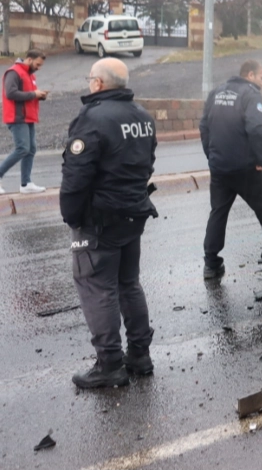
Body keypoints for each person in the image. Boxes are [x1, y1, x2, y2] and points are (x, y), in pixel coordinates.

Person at [61, 58, 158, 389]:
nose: (89, 83)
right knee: (128, 283)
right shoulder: (142, 117)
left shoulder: (91, 119)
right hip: (133, 212)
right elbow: (148, 163)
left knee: (97, 287)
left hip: (99, 219)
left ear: (99, 84)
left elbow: (75, 176)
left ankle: (110, 364)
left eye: (90, 78)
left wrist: (73, 217)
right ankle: (140, 355)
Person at [200, 59, 262, 279]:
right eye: (261, 77)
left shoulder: (216, 92)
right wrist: (261, 159)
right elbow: (255, 128)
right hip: (246, 167)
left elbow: (203, 126)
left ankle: (211, 264)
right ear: (250, 75)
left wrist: (211, 156)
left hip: (220, 168)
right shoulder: (250, 93)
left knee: (218, 213)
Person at [0, 49, 49, 194]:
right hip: (17, 117)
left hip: (27, 118)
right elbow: (10, 93)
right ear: (29, 59)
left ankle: (26, 183)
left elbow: (26, 95)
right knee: (22, 148)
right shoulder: (14, 72)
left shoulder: (28, 75)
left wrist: (39, 96)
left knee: (31, 149)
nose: (38, 68)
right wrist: (34, 94)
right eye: (38, 64)